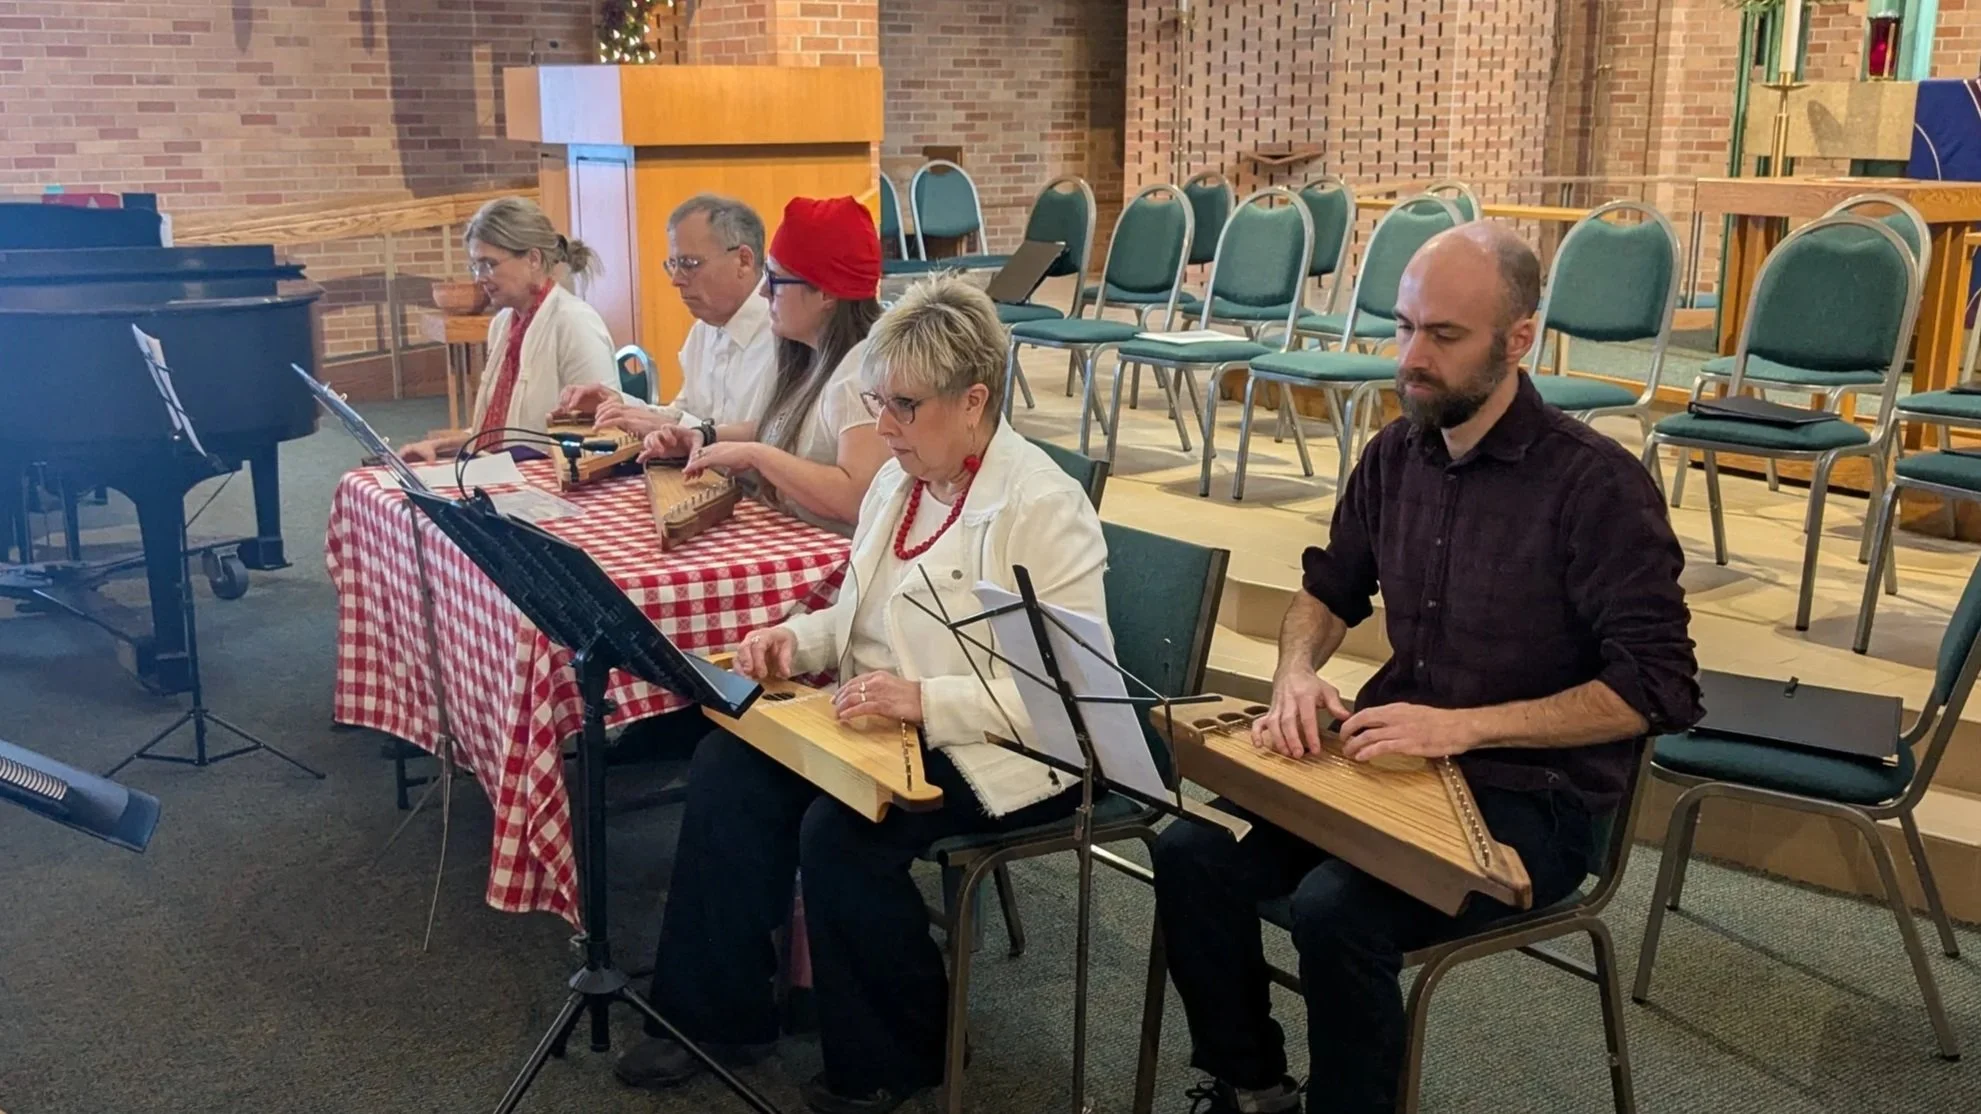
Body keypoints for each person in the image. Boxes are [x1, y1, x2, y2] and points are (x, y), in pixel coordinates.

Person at [1150, 222, 1702, 1114]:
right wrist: (1295, 674)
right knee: (1190, 853)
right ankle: (1251, 1085)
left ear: (1518, 337)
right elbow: (1326, 591)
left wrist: (1465, 726)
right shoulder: (1393, 454)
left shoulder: (1595, 487)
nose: (1411, 357)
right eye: (1402, 327)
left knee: (1335, 912)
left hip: (1534, 800)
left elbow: (1659, 687)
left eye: (1442, 336)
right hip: (1392, 766)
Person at [616, 275, 1110, 1114]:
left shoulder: (1043, 507)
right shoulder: (902, 476)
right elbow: (858, 611)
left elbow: (1067, 698)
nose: (882, 426)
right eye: (877, 402)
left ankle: (899, 1053)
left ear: (974, 399)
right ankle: (719, 1015)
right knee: (726, 769)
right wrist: (795, 640)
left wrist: (922, 699)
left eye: (903, 407)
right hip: (884, 720)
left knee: (841, 831)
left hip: (1005, 746)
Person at [633, 195, 891, 533]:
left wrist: (758, 456)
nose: (764, 293)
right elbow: (788, 427)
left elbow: (857, 497)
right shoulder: (810, 354)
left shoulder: (862, 370)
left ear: (827, 293)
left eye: (776, 281)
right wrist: (704, 435)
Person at [398, 196, 615, 462]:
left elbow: (603, 434)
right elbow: (498, 435)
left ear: (533, 259)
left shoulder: (575, 323)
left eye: (489, 264)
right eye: (475, 266)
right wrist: (439, 447)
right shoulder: (503, 323)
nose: (480, 278)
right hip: (506, 476)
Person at [557, 194, 776, 437]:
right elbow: (685, 416)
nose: (676, 280)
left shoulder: (784, 335)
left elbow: (773, 440)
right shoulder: (703, 331)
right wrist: (620, 406)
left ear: (743, 261)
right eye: (672, 264)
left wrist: (675, 429)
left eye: (690, 263)